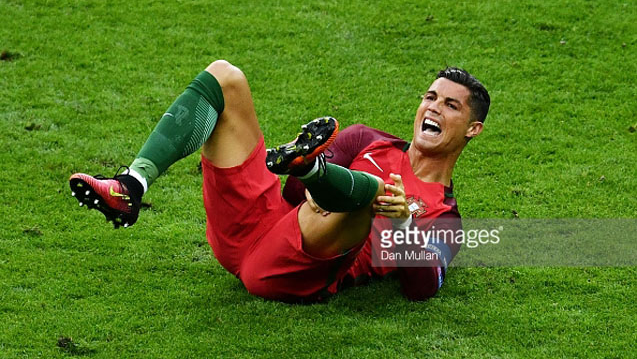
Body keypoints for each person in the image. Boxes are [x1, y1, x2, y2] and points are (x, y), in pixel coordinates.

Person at [69, 60, 490, 302]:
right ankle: (132, 185)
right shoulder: (366, 139)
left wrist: (402, 223)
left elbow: (422, 288)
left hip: (290, 268)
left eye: (451, 106)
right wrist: (308, 183)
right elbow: (292, 195)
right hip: (259, 224)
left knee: (377, 193)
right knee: (225, 78)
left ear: (473, 129)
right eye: (430, 97)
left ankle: (312, 168)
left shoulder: (446, 217)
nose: (433, 108)